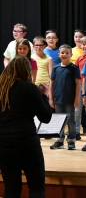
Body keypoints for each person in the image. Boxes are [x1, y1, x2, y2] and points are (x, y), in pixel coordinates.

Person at [0, 56, 52, 197]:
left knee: (11, 189)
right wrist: (44, 96)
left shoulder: (1, 89)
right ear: (26, 71)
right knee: (36, 187)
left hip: (3, 144)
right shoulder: (29, 88)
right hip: (26, 143)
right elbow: (46, 117)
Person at [49, 44, 80, 150]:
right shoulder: (55, 68)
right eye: (62, 52)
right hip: (58, 98)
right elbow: (52, 84)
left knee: (71, 120)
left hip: (70, 99)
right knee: (59, 120)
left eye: (67, 53)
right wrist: (51, 98)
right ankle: (59, 141)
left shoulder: (74, 68)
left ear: (71, 55)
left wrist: (76, 99)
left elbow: (77, 84)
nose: (64, 54)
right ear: (59, 54)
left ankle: (71, 141)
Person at [74, 36, 86, 138]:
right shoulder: (79, 59)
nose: (85, 46)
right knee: (77, 110)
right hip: (80, 86)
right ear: (81, 45)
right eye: (84, 44)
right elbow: (76, 74)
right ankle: (76, 131)